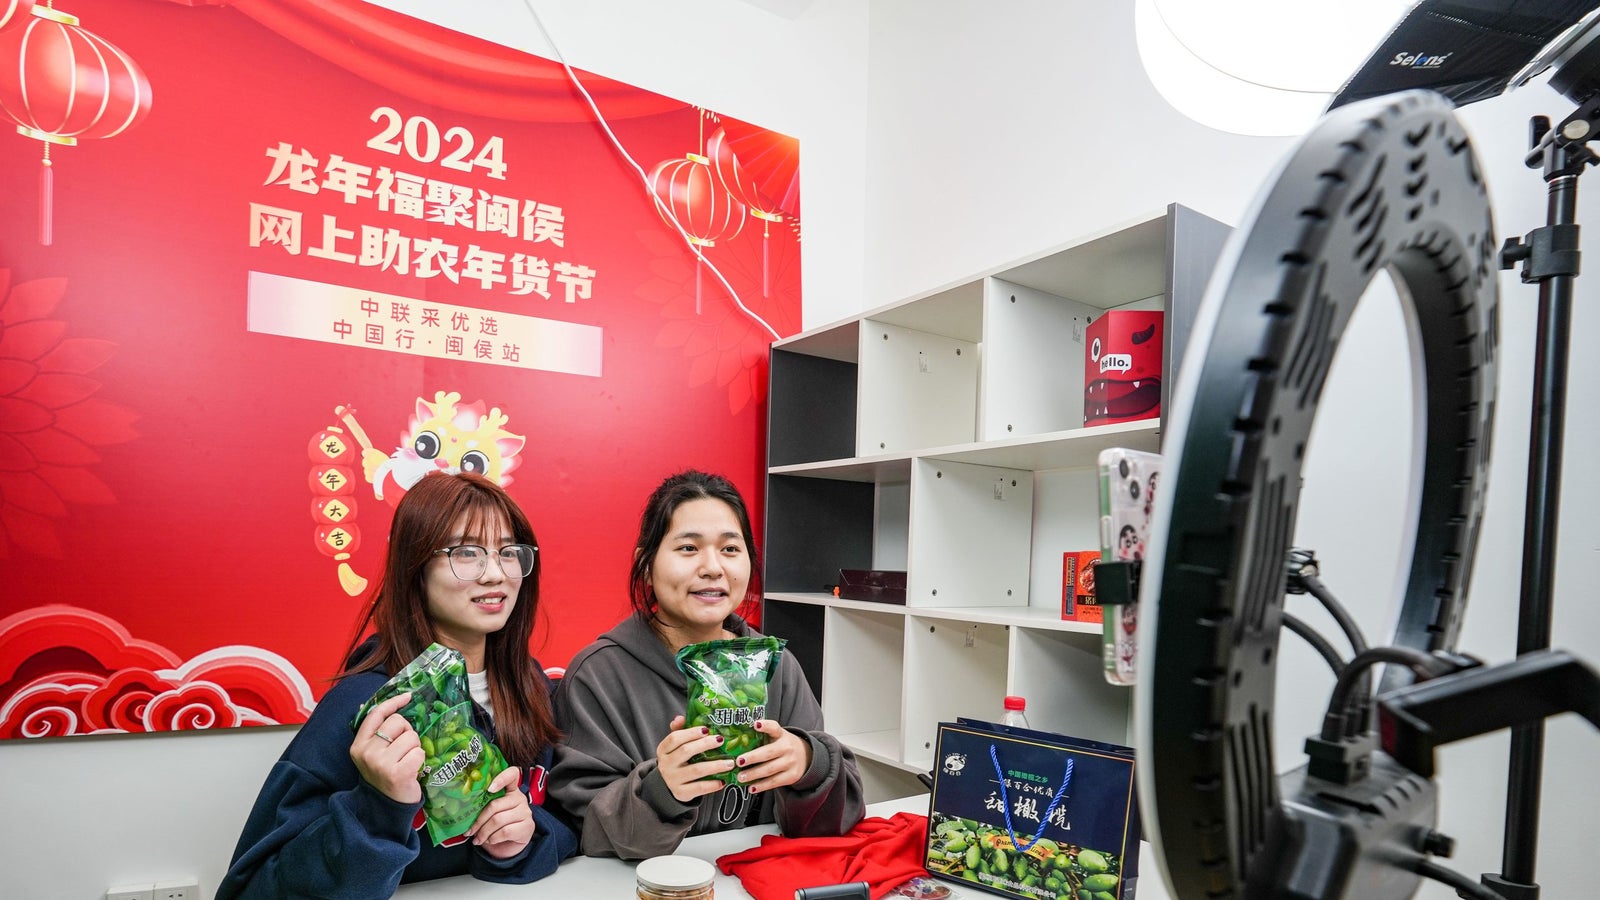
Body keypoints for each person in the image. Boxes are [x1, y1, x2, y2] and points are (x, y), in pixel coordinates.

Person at [219, 472, 577, 897]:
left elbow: (572, 825)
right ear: (416, 568)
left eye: (508, 552)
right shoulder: (365, 705)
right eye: (467, 553)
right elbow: (252, 888)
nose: (495, 574)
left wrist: (520, 841)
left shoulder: (532, 685)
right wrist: (377, 806)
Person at [548, 469, 866, 859]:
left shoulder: (774, 666)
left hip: (752, 881)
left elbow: (835, 822)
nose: (713, 567)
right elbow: (583, 832)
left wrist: (809, 763)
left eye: (730, 549)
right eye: (688, 548)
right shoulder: (598, 676)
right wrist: (661, 791)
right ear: (646, 566)